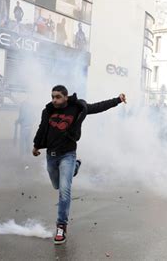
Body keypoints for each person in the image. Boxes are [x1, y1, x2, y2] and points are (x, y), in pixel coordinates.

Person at [32, 85, 126, 244]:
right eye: (52, 96)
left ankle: (61, 226)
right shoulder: (47, 111)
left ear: (65, 97)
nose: (54, 100)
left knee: (64, 190)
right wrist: (36, 145)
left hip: (68, 154)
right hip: (51, 156)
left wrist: (117, 100)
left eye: (58, 97)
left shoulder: (78, 108)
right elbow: (42, 129)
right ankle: (76, 166)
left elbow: (97, 107)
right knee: (56, 185)